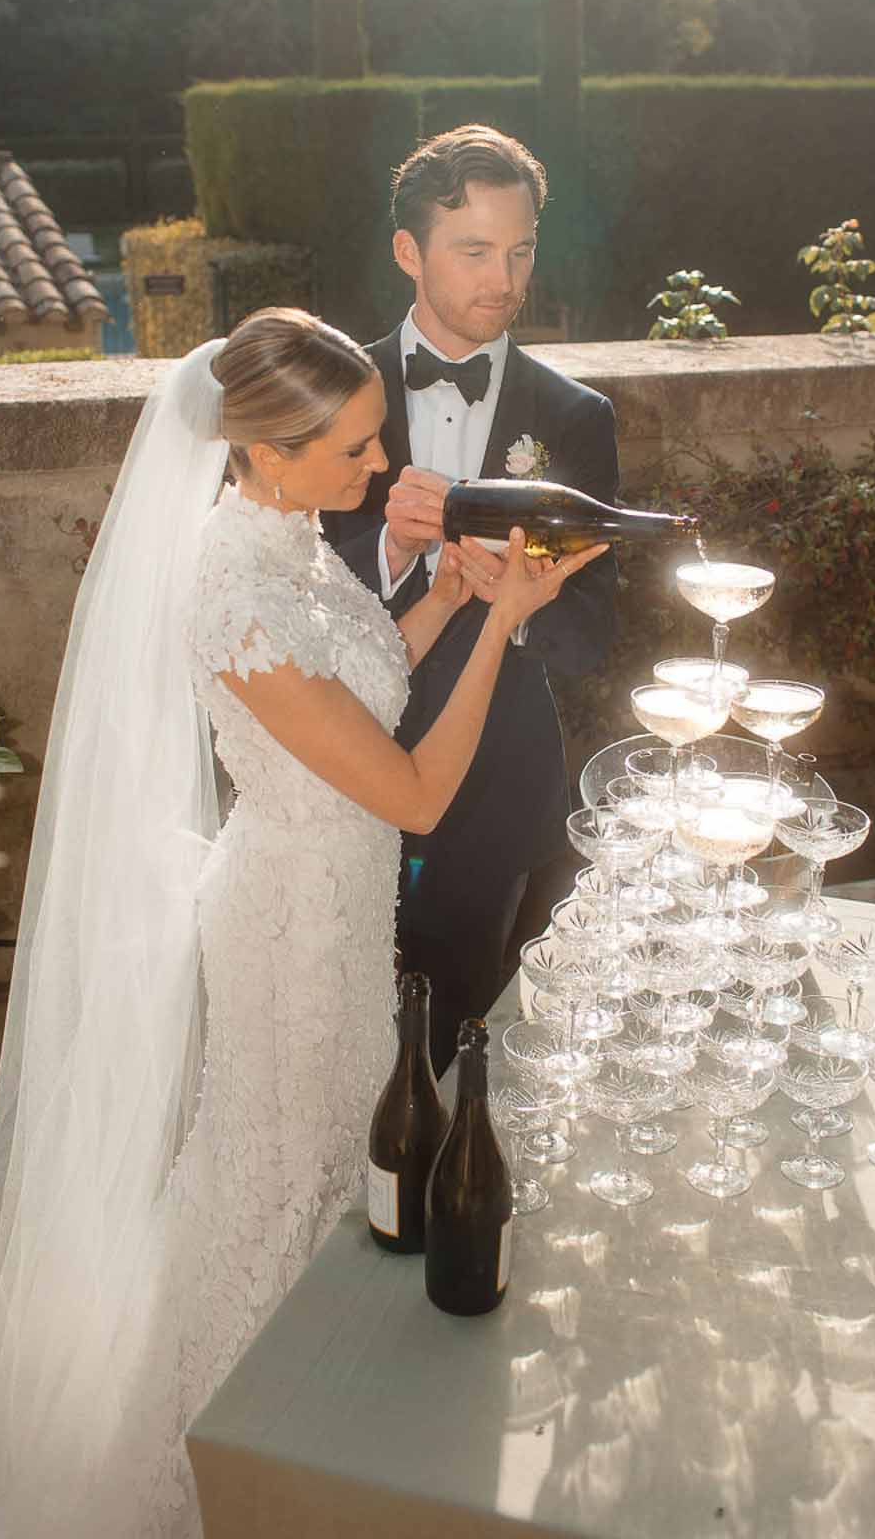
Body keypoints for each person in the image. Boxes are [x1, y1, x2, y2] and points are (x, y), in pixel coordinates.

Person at [0, 310, 602, 1539]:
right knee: (273, 1193)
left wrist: (448, 596)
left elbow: (361, 678)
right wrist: (501, 623)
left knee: (336, 1175)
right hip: (289, 932)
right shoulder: (232, 594)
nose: (380, 465)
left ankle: (315, 1438)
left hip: (339, 917)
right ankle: (216, 1472)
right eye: (353, 448)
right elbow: (412, 791)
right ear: (266, 449)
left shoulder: (290, 538)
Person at [323, 125, 619, 1075]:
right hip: (339, 764)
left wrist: (517, 601)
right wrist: (391, 551)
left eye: (520, 251)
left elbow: (592, 638)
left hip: (497, 789)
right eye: (474, 252)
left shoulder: (575, 417)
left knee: (471, 1049)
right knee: (332, 1029)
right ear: (407, 252)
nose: (504, 280)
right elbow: (279, 594)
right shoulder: (327, 395)